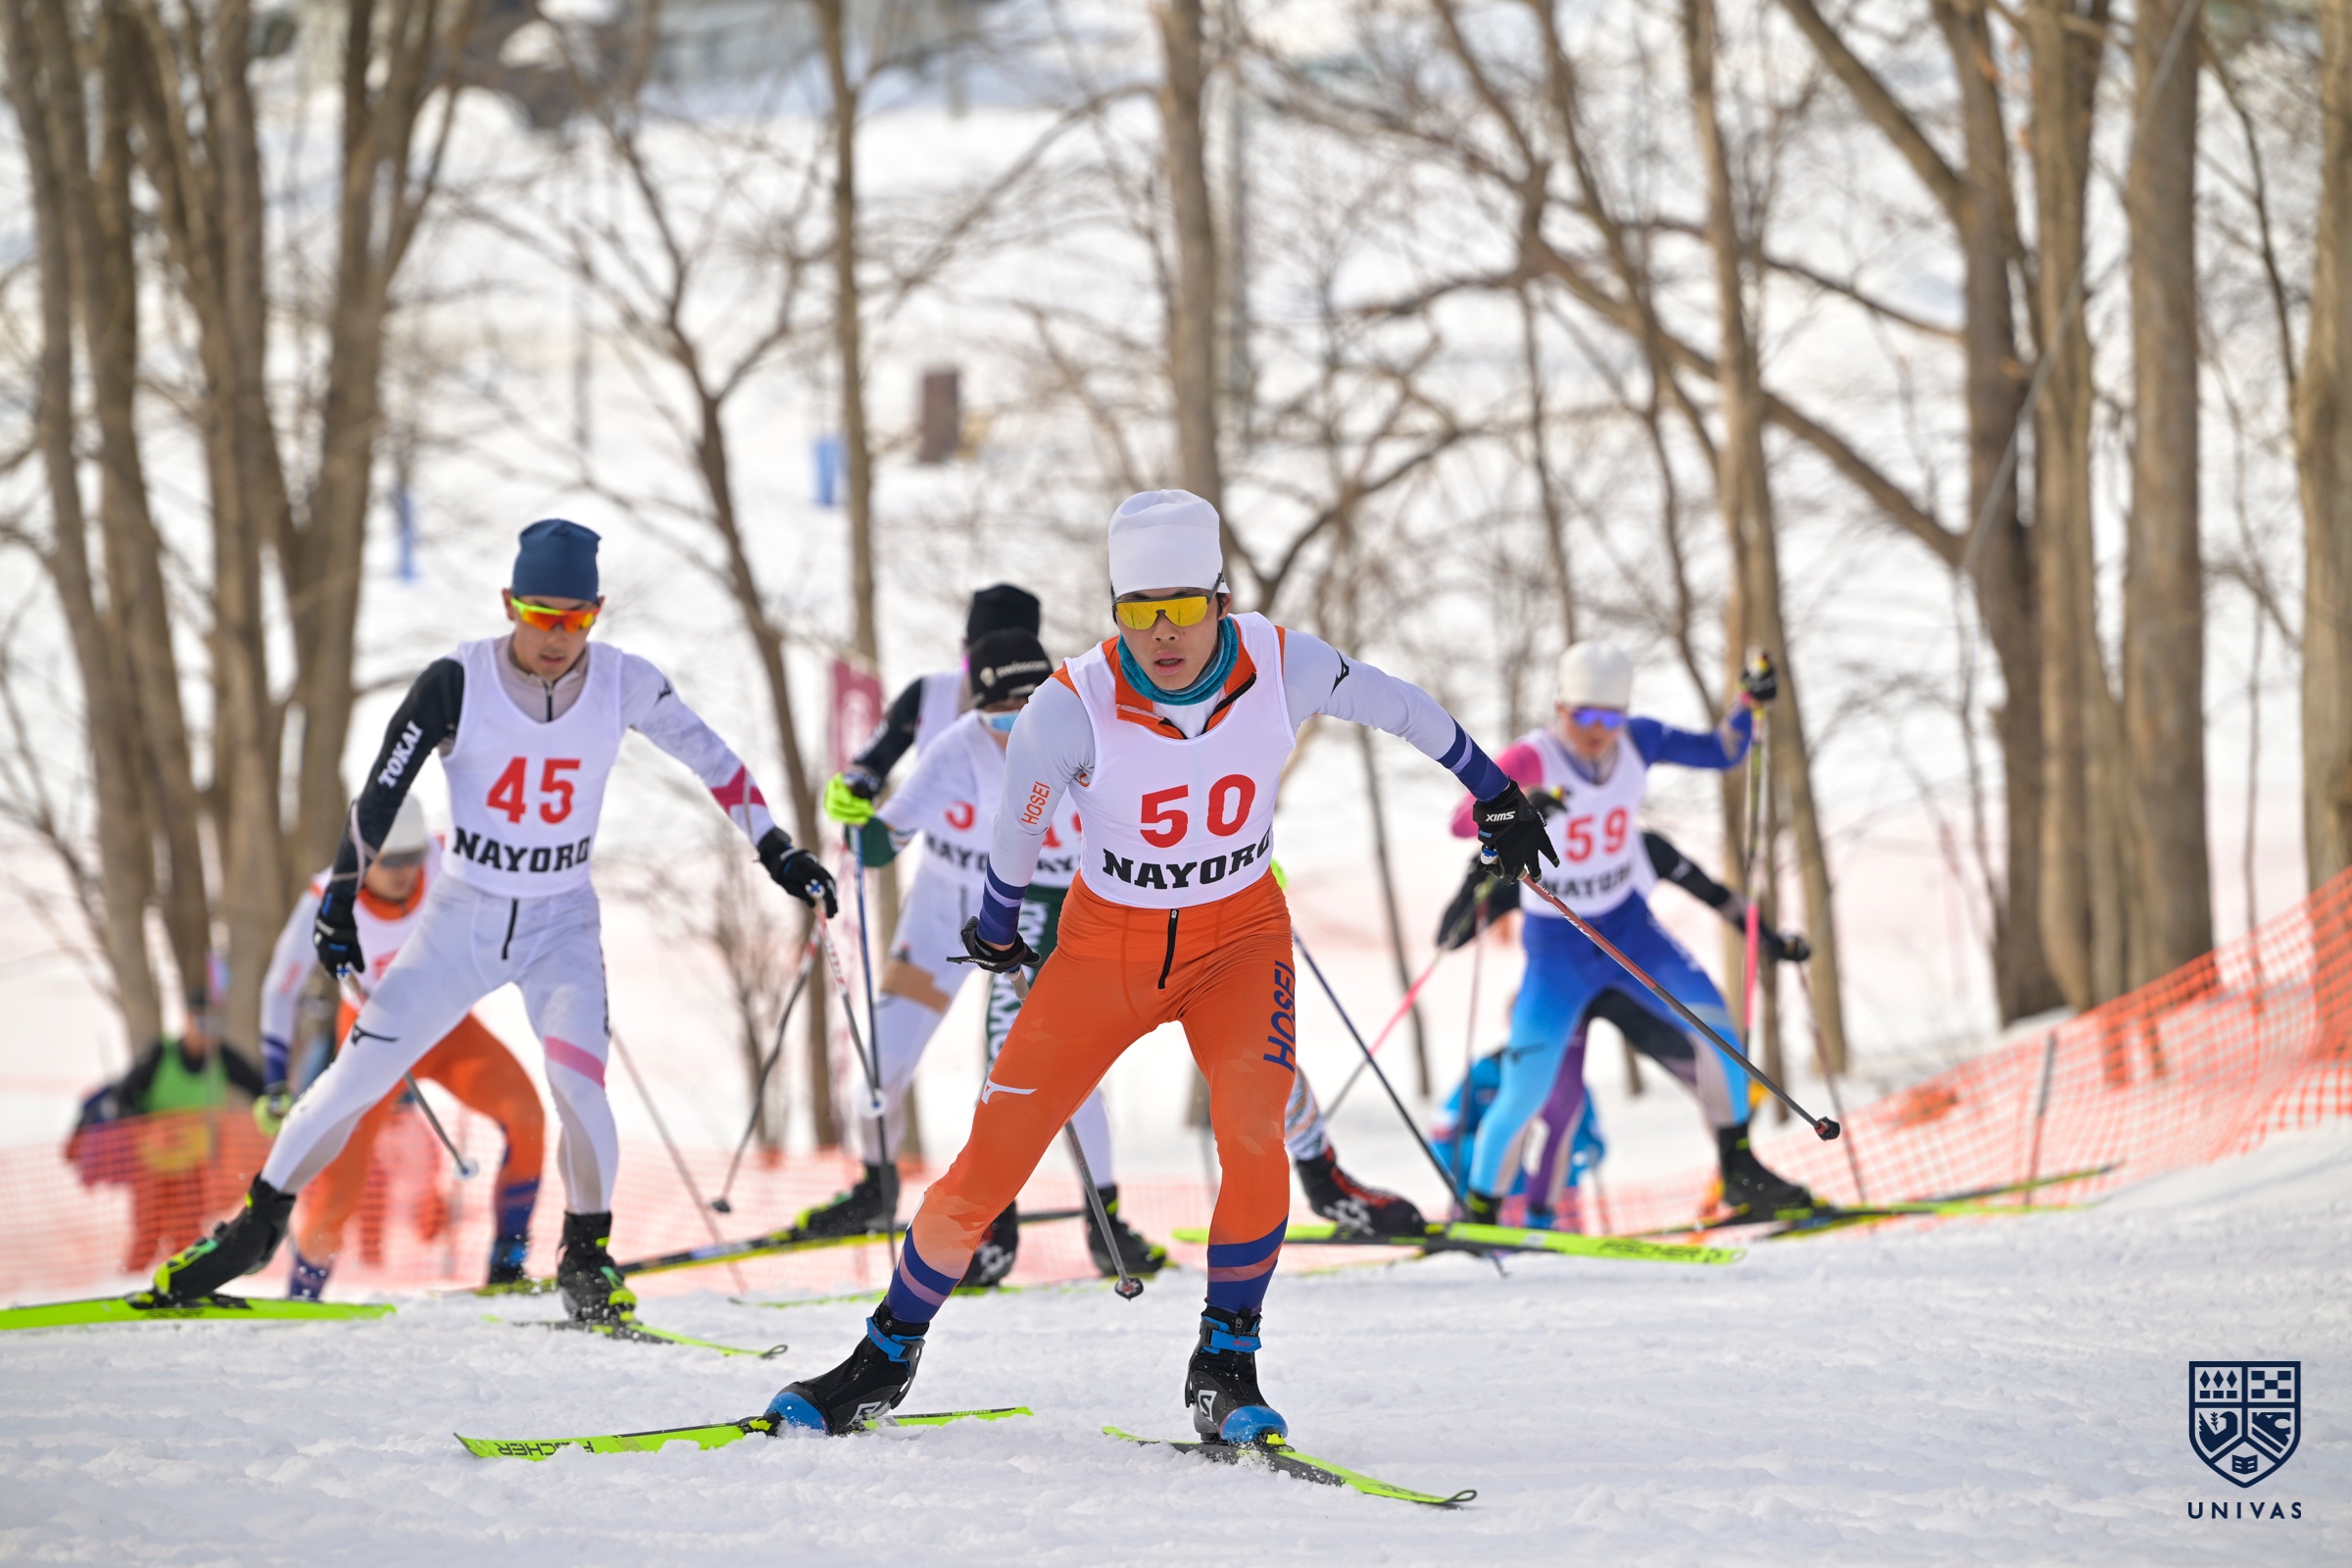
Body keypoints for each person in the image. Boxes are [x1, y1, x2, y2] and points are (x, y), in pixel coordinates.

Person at [764, 489, 1555, 1440]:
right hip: (1108, 948)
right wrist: (999, 925)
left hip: (1240, 939)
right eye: (1139, 612)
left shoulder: (1283, 661)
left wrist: (1496, 794)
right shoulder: (1071, 702)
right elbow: (1019, 820)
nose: (1163, 633)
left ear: (1220, 600)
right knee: (988, 1164)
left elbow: (1402, 706)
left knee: (1253, 1134)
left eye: (1182, 607)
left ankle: (1226, 1361)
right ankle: (882, 1357)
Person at [151, 518, 837, 1320]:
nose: (556, 637)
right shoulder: (457, 681)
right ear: (510, 603)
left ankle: (586, 1255)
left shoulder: (623, 681)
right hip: (462, 921)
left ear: (597, 613)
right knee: (352, 1081)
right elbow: (381, 791)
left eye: (576, 619)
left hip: (560, 924)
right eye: (540, 616)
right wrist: (340, 897)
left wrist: (775, 847)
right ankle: (255, 1228)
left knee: (578, 1086)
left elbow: (712, 759)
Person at [796, 627, 1167, 1283]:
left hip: (1042, 908)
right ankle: (877, 1188)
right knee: (880, 1065)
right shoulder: (957, 745)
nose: (1015, 726)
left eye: (1028, 708)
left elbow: (1157, 819)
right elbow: (881, 844)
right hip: (946, 915)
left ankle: (1087, 1220)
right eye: (999, 713)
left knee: (1032, 1062)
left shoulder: (1087, 731)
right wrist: (854, 817)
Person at [1445, 641, 1812, 1221]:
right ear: (1561, 707)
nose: (1597, 730)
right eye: (1584, 715)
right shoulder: (1532, 757)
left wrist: (1748, 704)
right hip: (1558, 948)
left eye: (1610, 716)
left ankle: (1741, 1173)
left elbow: (1722, 751)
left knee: (1718, 1029)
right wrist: (1517, 803)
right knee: (1527, 1087)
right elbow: (1461, 823)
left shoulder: (1639, 739)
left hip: (1629, 931)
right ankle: (1481, 1210)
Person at [1431, 829, 1812, 1227]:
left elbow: (1714, 894)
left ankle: (1742, 1178)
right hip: (1566, 998)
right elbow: (1450, 936)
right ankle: (1540, 1217)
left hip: (1632, 994)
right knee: (1559, 1107)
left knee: (1716, 1068)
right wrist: (1477, 875)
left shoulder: (1637, 845)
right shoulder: (1532, 853)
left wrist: (1770, 940)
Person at [255, 794, 547, 1297]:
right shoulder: (326, 895)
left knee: (528, 1118)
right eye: (391, 861)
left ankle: (508, 1263)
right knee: (340, 1189)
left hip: (448, 1031)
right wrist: (275, 1078)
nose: (406, 872)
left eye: (413, 856)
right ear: (363, 855)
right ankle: (303, 1292)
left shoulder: (448, 855)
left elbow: (515, 856)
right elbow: (281, 989)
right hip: (374, 1045)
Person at [824, 584, 1042, 821]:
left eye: (1009, 666)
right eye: (980, 663)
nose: (992, 681)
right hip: (945, 842)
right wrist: (854, 787)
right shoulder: (929, 694)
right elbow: (875, 760)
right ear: (964, 647)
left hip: (1032, 843)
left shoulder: (1053, 701)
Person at [100, 987, 269, 1273]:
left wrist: (275, 1110)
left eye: (213, 1024)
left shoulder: (221, 1058)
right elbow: (122, 1098)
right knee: (148, 1233)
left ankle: (185, 1283)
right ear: (186, 1020)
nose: (206, 1033)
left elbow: (260, 1089)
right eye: (200, 1023)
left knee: (187, 1234)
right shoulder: (161, 1054)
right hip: (153, 1164)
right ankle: (129, 1282)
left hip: (193, 1165)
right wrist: (148, 1125)